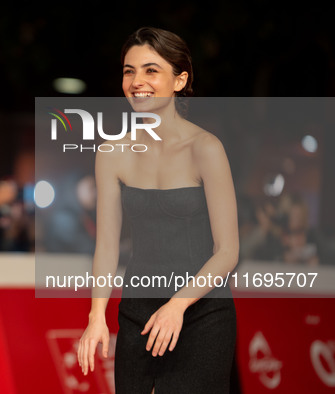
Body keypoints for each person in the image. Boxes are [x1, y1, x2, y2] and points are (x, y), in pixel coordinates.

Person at [77, 27, 239, 393]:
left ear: (179, 80)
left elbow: (227, 252)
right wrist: (96, 317)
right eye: (128, 71)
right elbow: (105, 246)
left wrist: (176, 306)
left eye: (151, 70)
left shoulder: (206, 148)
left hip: (202, 314)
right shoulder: (111, 152)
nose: (137, 82)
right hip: (137, 314)